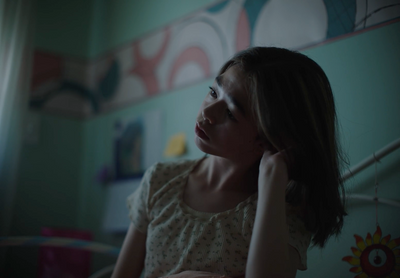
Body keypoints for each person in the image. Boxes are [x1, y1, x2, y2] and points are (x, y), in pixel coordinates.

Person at [111, 47, 347, 278]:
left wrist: (272, 178)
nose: (208, 113)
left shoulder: (282, 212)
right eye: (213, 92)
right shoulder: (160, 180)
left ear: (270, 138)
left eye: (231, 113)